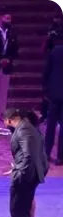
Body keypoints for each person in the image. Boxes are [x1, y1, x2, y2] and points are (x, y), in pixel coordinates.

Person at [2, 109, 49, 217]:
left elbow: (29, 156)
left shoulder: (24, 130)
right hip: (26, 174)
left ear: (10, 119)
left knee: (18, 209)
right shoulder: (25, 128)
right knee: (18, 209)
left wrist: (18, 170)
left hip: (26, 176)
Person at [44, 35, 63, 166]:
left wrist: (45, 90)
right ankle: (60, 157)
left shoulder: (55, 51)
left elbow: (46, 72)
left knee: (51, 125)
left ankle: (46, 153)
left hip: (54, 93)